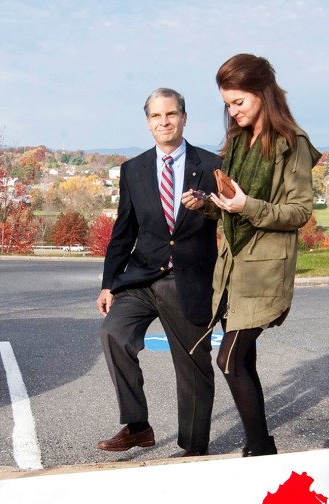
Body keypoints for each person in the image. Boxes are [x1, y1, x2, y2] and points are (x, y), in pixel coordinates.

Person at [202, 54, 321, 457]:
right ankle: (261, 445)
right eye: (228, 105)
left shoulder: (293, 143)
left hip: (266, 271)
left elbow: (301, 213)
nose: (233, 112)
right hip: (235, 267)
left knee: (230, 360)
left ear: (262, 93)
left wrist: (246, 206)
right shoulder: (237, 141)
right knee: (243, 361)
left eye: (239, 102)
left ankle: (259, 448)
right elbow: (233, 204)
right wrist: (206, 204)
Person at [96, 88, 220, 457]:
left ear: (184, 117)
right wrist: (108, 283)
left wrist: (209, 203)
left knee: (193, 366)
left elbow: (231, 217)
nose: (163, 122)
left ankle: (194, 448)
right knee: (113, 333)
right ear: (147, 122)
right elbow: (124, 229)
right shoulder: (133, 170)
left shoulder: (212, 165)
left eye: (170, 114)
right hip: (140, 276)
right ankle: (138, 427)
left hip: (188, 279)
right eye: (156, 116)